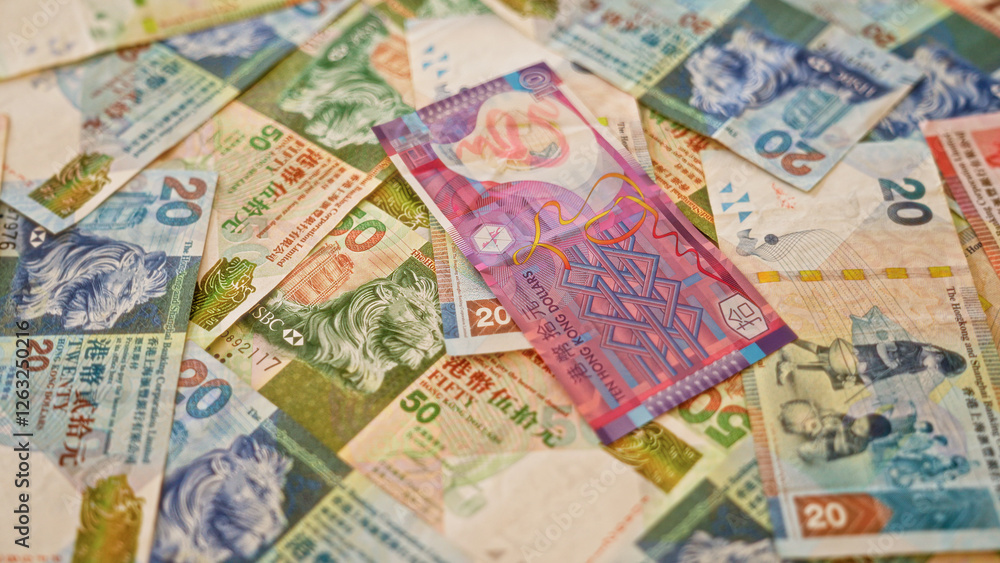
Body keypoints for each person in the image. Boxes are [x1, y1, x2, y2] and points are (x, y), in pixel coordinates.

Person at [779, 399, 892, 463]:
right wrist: (831, 414)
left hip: (829, 447)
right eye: (860, 420)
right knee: (826, 415)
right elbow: (843, 418)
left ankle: (809, 453)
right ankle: (797, 418)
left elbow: (836, 442)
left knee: (803, 449)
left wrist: (825, 428)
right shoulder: (856, 424)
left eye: (861, 428)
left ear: (868, 437)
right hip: (831, 432)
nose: (856, 424)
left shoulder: (858, 446)